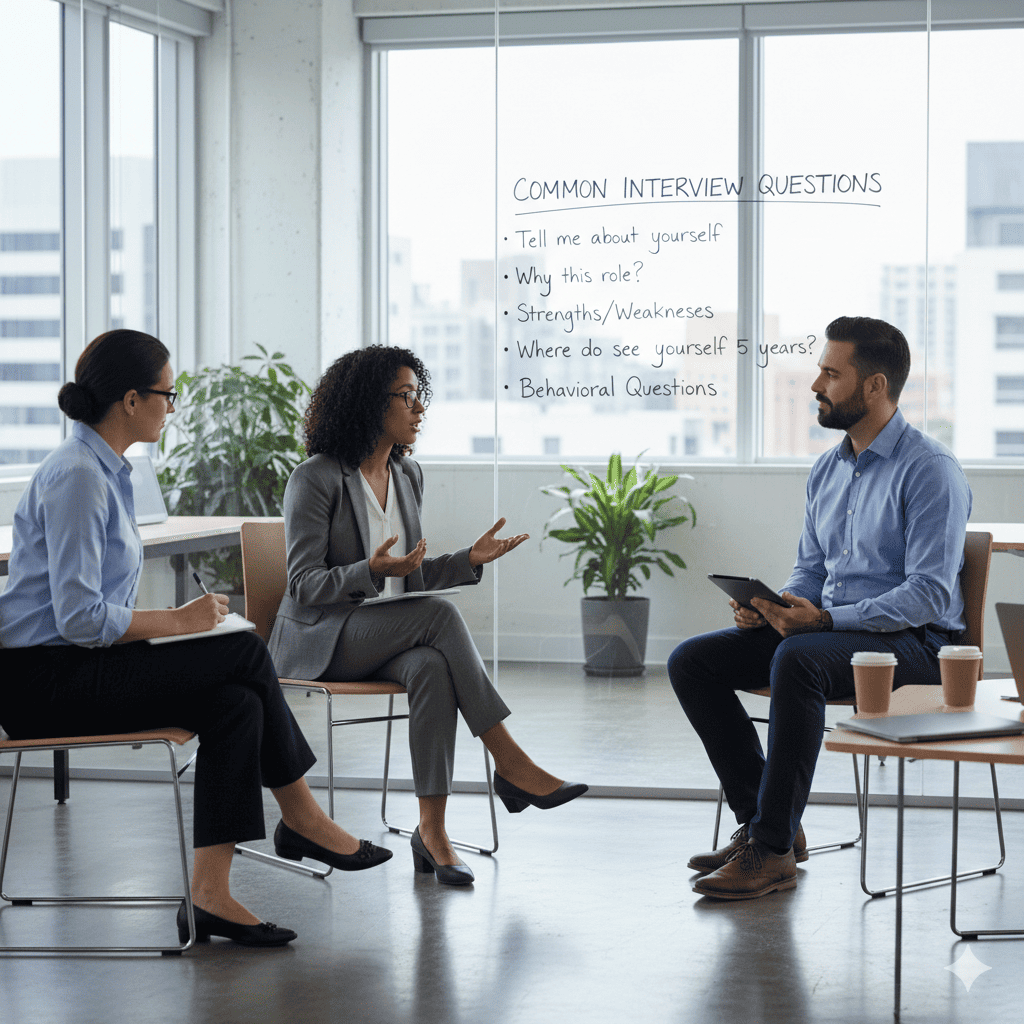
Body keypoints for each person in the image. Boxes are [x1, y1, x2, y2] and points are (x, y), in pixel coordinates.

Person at [0, 329, 393, 948]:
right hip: (44, 683)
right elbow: (78, 619)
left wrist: (173, 626)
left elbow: (91, 613)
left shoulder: (108, 471)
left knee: (234, 703)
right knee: (240, 649)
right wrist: (178, 623)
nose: (173, 406)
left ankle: (210, 895)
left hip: (79, 666)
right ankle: (301, 813)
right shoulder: (78, 476)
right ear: (131, 400)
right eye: (168, 393)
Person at [668, 316, 972, 901]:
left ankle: (772, 848)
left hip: (917, 646)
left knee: (799, 660)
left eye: (832, 374)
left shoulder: (930, 471)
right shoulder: (827, 469)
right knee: (693, 661)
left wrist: (826, 621)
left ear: (875, 386)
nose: (816, 385)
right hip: (831, 635)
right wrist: (775, 607)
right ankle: (769, 826)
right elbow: (811, 570)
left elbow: (929, 595)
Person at [268, 345, 587, 885]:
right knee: (437, 618)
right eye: (407, 396)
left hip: (385, 632)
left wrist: (466, 561)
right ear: (371, 403)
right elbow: (303, 585)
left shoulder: (408, 475)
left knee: (431, 668)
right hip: (322, 640)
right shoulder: (316, 478)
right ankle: (509, 762)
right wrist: (366, 572)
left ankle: (432, 833)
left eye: (421, 395)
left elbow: (407, 578)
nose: (420, 408)